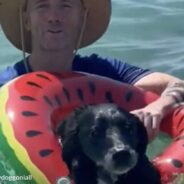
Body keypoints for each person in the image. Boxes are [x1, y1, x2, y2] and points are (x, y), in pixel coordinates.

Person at [0, 0, 184, 141]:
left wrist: (158, 108)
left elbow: (177, 84)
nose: (53, 17)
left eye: (65, 5)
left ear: (83, 17)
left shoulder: (105, 71)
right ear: (26, 20)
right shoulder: (5, 86)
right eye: (42, 6)